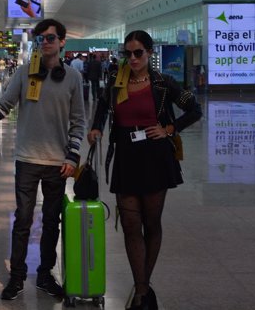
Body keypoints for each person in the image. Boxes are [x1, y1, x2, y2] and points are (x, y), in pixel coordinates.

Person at [0, 19, 86, 301]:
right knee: (22, 219)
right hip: (27, 160)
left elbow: (79, 121)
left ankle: (45, 275)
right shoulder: (24, 73)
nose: (46, 43)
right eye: (41, 38)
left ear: (62, 42)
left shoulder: (73, 78)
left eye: (51, 38)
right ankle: (17, 277)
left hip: (58, 162)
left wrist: (73, 154)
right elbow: (3, 105)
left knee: (51, 221)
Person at [87, 30, 202, 310]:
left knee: (151, 223)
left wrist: (169, 128)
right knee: (129, 224)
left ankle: (142, 289)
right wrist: (96, 127)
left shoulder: (163, 82)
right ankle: (142, 291)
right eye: (128, 53)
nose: (133, 58)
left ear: (149, 53)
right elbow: (103, 106)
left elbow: (195, 109)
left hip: (155, 156)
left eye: (139, 52)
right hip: (126, 156)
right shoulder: (117, 79)